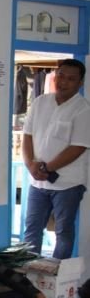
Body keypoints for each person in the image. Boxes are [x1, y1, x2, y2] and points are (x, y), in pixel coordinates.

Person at [22, 59, 90, 259]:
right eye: (61, 76)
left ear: (80, 83)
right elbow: (27, 137)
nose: (63, 82)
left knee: (63, 232)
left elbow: (77, 147)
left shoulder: (83, 109)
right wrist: (30, 165)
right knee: (32, 229)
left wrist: (47, 168)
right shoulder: (40, 102)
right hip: (38, 183)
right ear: (55, 76)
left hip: (67, 184)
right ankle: (29, 273)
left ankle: (58, 274)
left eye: (71, 79)